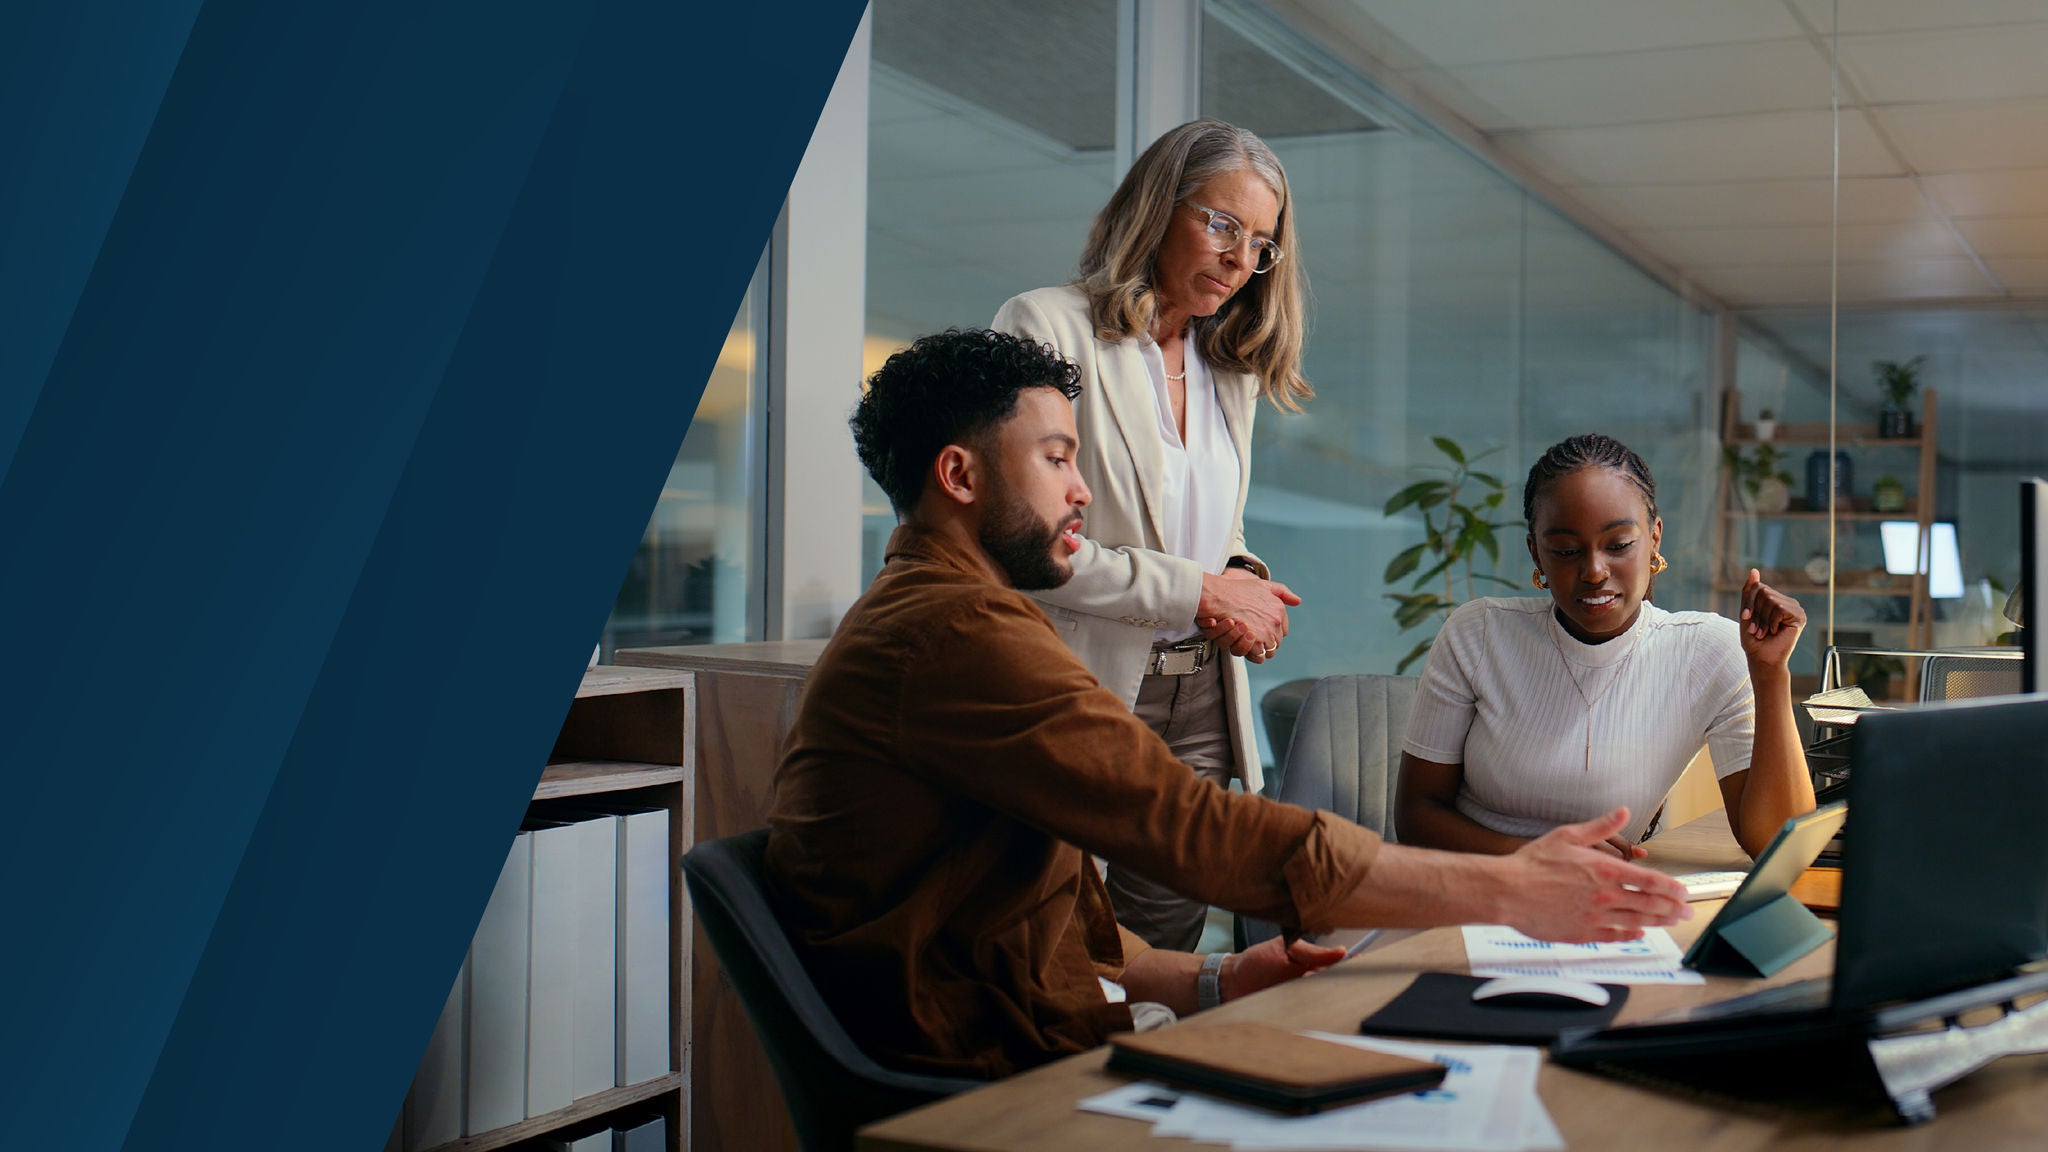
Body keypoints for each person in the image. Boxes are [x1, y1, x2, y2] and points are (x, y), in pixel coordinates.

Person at [765, 330, 1691, 1080]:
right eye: (1055, 458)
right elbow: (1193, 829)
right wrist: (1513, 889)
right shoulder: (953, 637)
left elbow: (1044, 917)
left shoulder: (948, 619)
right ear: (960, 478)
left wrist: (1214, 977)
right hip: (989, 1078)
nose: (1083, 488)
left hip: (1028, 1030)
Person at [993, 119, 1308, 950]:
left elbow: (1211, 526)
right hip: (1083, 679)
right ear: (1158, 207)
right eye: (1223, 224)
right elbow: (1023, 545)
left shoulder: (1227, 369)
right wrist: (1202, 588)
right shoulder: (1046, 327)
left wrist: (1241, 578)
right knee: (1062, 941)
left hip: (1201, 693)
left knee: (1166, 939)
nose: (1242, 259)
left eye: (1262, 244)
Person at [1395, 434, 1817, 862]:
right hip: (1468, 895)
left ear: (1654, 538)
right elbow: (1415, 816)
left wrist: (1770, 675)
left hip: (1599, 910)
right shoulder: (1480, 634)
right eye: (1565, 551)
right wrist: (1538, 859)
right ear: (1535, 554)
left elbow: (1779, 847)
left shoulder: (1708, 653)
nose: (1594, 571)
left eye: (1618, 546)